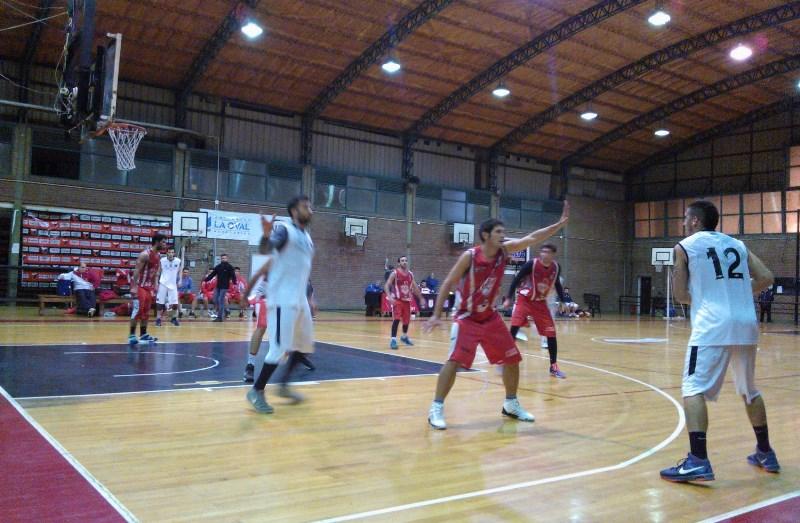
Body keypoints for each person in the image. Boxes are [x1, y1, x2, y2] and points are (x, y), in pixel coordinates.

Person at [660, 200, 780, 482]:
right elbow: (767, 277)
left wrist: (708, 296)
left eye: (685, 218)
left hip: (713, 324)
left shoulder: (684, 247)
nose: (683, 223)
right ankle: (765, 452)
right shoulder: (737, 244)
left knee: (692, 388)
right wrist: (737, 292)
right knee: (749, 389)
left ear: (695, 221)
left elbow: (680, 296)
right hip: (745, 323)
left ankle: (698, 460)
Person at [423, 203, 569, 430]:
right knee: (454, 361)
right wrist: (435, 315)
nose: (503, 235)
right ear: (486, 235)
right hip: (467, 316)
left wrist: (558, 225)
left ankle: (511, 404)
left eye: (503, 231)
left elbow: (532, 238)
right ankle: (436, 408)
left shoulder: (504, 251)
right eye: (498, 232)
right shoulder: (470, 256)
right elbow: (448, 283)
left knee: (512, 359)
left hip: (490, 317)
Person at [247, 196, 317, 414]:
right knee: (278, 350)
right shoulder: (284, 230)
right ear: (294, 211)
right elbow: (266, 249)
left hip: (300, 300)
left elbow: (301, 269)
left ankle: (284, 385)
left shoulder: (307, 237)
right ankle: (256, 391)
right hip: (282, 300)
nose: (310, 210)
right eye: (306, 207)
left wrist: (310, 297)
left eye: (311, 206)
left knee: (304, 346)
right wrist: (266, 235)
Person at [504, 244, 568, 379]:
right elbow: (516, 279)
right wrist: (509, 297)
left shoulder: (556, 267)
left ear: (553, 254)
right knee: (514, 327)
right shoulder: (531, 264)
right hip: (525, 299)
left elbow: (557, 283)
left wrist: (563, 301)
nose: (544, 254)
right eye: (543, 251)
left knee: (551, 333)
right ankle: (505, 360)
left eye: (548, 252)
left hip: (540, 302)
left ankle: (553, 367)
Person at [129, 234, 166, 346]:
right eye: (163, 242)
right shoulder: (145, 255)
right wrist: (134, 287)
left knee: (146, 312)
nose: (165, 244)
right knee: (137, 311)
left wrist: (155, 285)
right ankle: (131, 335)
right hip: (140, 286)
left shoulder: (158, 255)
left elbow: (155, 272)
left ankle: (143, 334)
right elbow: (136, 271)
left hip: (149, 287)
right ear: (157, 242)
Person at [384, 255, 424, 350]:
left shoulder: (410, 274)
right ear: (399, 263)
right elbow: (386, 285)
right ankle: (393, 340)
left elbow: (415, 287)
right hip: (397, 301)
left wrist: (421, 298)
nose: (404, 262)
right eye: (402, 260)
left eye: (406, 260)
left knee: (406, 321)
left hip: (407, 301)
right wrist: (389, 296)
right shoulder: (394, 273)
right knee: (397, 319)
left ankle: (404, 337)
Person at [241, 262, 270, 383]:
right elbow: (258, 275)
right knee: (262, 327)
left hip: (281, 299)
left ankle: (297, 355)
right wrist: (245, 296)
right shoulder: (276, 260)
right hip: (265, 296)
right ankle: (250, 365)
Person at [205, 254, 236, 322]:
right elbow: (212, 274)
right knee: (215, 299)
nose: (223, 259)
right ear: (221, 259)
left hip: (224, 287)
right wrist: (206, 280)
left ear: (227, 259)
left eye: (225, 258)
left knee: (220, 300)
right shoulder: (218, 267)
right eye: (222, 258)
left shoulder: (230, 267)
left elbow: (233, 276)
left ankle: (220, 317)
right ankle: (225, 310)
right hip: (218, 286)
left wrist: (234, 283)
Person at [155, 247, 182, 327]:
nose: (170, 254)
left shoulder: (178, 261)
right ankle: (158, 319)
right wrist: (156, 283)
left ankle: (174, 318)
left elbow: (180, 271)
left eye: (172, 252)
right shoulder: (162, 260)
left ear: (174, 253)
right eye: (169, 252)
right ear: (167, 253)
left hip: (173, 284)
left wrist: (180, 280)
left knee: (175, 304)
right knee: (160, 303)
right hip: (163, 283)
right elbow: (158, 272)